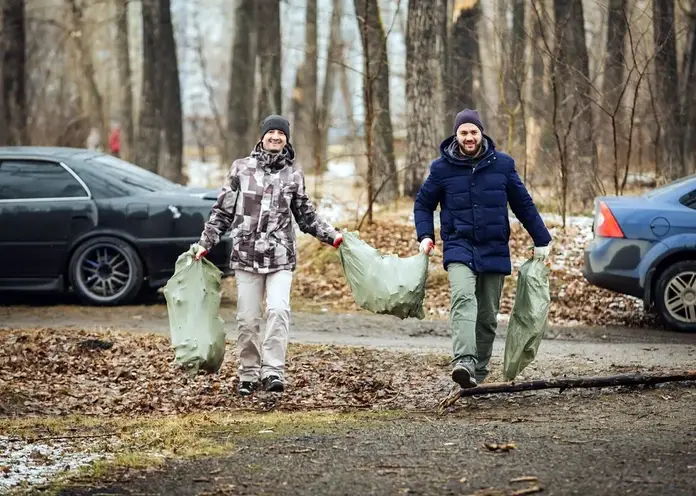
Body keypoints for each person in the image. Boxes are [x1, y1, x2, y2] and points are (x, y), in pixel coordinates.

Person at [194, 114, 343, 396]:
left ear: (287, 139)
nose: (276, 137)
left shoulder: (294, 175)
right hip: (246, 255)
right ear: (262, 136)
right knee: (248, 319)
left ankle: (273, 371)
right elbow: (222, 211)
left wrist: (331, 235)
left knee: (278, 310)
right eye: (271, 132)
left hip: (280, 257)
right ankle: (248, 373)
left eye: (281, 133)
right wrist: (206, 242)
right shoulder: (241, 169)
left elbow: (306, 215)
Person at [413, 109, 551, 388]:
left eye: (473, 132)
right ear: (456, 135)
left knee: (487, 315)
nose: (469, 137)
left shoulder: (502, 165)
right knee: (463, 298)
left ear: (481, 133)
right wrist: (425, 235)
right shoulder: (441, 169)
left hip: (494, 246)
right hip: (459, 245)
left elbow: (523, 204)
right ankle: (463, 361)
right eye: (463, 132)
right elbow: (423, 204)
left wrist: (542, 240)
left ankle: (478, 371)